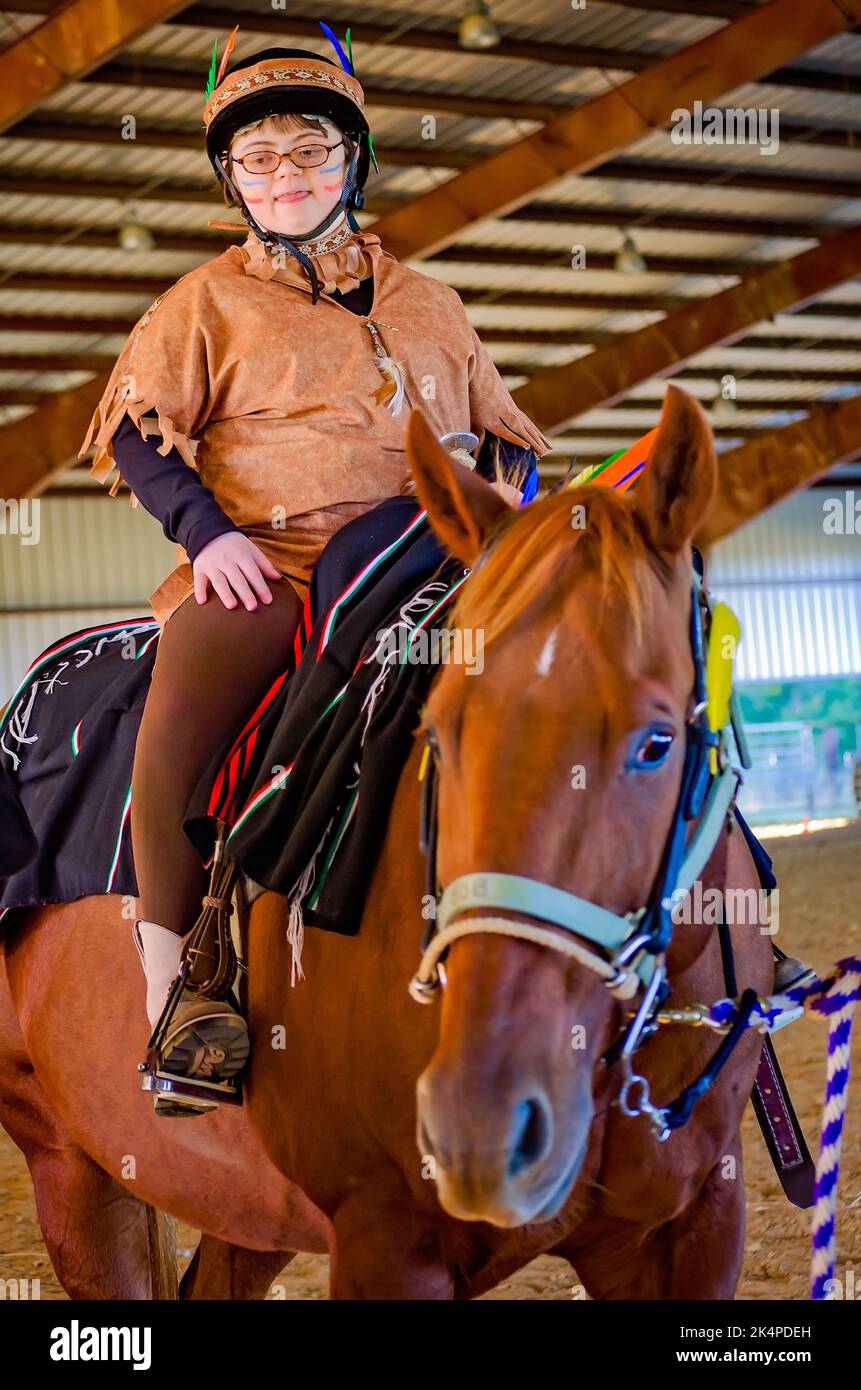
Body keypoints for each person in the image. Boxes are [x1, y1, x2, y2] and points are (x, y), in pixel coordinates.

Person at [77, 37, 552, 1108]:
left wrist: (505, 510)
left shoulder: (432, 301)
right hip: (269, 569)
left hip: (424, 557)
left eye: (310, 150)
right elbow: (140, 436)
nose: (285, 174)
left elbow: (509, 438)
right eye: (258, 158)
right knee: (172, 753)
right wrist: (209, 538)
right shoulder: (203, 302)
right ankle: (182, 1003)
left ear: (355, 163)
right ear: (232, 180)